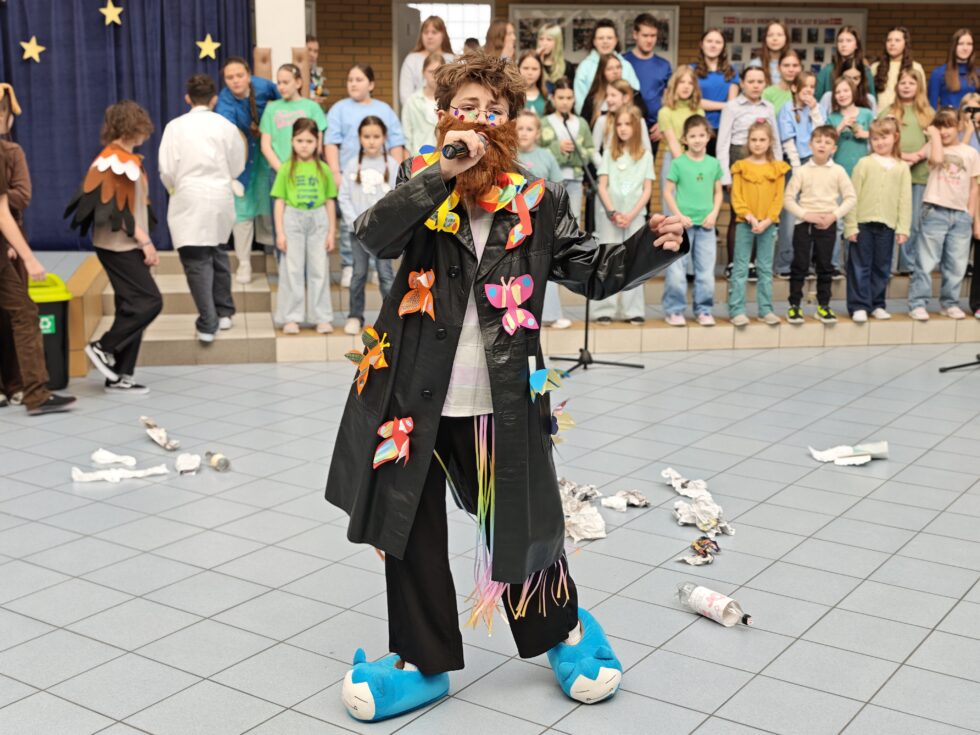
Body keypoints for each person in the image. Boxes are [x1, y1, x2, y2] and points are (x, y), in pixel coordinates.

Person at [325, 50, 686, 724]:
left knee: (519, 523)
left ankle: (564, 632)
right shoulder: (422, 184)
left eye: (495, 111)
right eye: (468, 108)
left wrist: (651, 247)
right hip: (411, 402)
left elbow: (593, 268)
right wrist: (440, 174)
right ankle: (422, 660)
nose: (481, 121)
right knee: (410, 531)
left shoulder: (536, 201)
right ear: (444, 117)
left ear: (514, 125)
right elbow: (372, 236)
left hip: (500, 402)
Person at [67, 101, 163, 393]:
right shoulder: (115, 160)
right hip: (119, 246)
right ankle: (103, 347)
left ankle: (120, 374)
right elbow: (117, 211)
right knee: (149, 301)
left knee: (130, 306)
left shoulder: (123, 158)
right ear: (133, 127)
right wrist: (145, 241)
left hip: (122, 243)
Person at [0, 84, 76, 415]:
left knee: (22, 313)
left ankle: (31, 391)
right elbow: (2, 212)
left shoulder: (10, 152)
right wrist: (29, 258)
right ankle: (34, 393)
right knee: (24, 313)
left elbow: (16, 200)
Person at [159, 74, 247, 343]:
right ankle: (224, 312)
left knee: (196, 259)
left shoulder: (175, 127)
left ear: (188, 98)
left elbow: (167, 169)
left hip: (189, 196)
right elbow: (237, 165)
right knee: (218, 251)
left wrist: (175, 188)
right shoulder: (226, 126)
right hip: (220, 195)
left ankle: (208, 323)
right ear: (214, 99)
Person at [325, 64, 406, 288]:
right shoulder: (339, 109)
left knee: (379, 221)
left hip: (381, 176)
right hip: (352, 176)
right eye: (350, 79)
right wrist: (335, 172)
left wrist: (398, 179)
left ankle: (377, 265)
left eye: (359, 79)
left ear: (371, 84)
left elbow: (396, 144)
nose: (353, 83)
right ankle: (349, 264)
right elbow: (331, 142)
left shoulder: (384, 110)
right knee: (351, 223)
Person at [907, 109, 980, 321]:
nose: (943, 131)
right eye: (939, 126)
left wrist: (969, 213)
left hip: (960, 214)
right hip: (935, 210)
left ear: (959, 126)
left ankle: (949, 303)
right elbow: (938, 160)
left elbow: (974, 186)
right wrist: (934, 135)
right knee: (926, 261)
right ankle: (918, 303)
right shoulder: (933, 146)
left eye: (948, 126)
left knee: (956, 264)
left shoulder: (971, 153)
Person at [215, 57, 280, 284]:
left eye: (240, 75)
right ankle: (244, 263)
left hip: (270, 154)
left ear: (249, 75)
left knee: (273, 207)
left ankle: (279, 258)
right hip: (243, 159)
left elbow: (285, 104)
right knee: (242, 212)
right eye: (229, 77)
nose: (235, 81)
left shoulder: (264, 86)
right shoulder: (224, 101)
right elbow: (228, 134)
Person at [783, 125, 857, 324]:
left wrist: (834, 216)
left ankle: (823, 306)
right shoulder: (802, 171)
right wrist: (805, 214)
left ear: (834, 148)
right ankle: (794, 306)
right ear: (810, 145)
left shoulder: (838, 171)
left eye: (827, 142)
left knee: (825, 266)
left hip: (827, 225)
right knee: (799, 264)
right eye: (818, 141)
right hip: (804, 225)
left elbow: (851, 198)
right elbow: (788, 199)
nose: (822, 145)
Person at [272, 118, 338, 334]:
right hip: (293, 219)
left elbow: (330, 201)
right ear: (292, 141)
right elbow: (279, 201)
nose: (304, 145)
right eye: (299, 140)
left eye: (309, 141)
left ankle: (321, 317)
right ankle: (291, 317)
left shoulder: (324, 169)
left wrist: (331, 232)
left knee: (319, 269)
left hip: (318, 219)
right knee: (292, 269)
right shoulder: (286, 168)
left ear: (317, 142)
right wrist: (280, 233)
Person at [843, 117, 911, 322]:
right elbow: (852, 196)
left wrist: (903, 228)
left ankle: (877, 304)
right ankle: (859, 305)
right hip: (863, 223)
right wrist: (850, 226)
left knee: (882, 266)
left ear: (895, 137)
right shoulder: (864, 163)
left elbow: (905, 199)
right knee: (859, 266)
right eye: (875, 138)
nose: (880, 142)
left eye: (884, 137)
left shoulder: (902, 167)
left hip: (887, 226)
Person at [593, 106, 655, 325]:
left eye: (628, 124)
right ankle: (604, 308)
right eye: (619, 124)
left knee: (634, 261)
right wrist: (613, 212)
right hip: (611, 216)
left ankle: (633, 310)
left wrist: (630, 214)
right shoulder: (609, 153)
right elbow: (602, 186)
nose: (623, 128)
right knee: (608, 260)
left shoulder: (645, 156)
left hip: (634, 216)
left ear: (636, 127)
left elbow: (647, 189)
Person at [718, 66, 782, 276]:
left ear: (765, 84)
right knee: (738, 213)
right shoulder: (731, 107)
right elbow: (723, 142)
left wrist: (778, 168)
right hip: (738, 159)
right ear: (742, 83)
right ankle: (734, 263)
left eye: (760, 82)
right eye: (751, 81)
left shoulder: (768, 107)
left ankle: (752, 263)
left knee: (759, 211)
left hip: (763, 162)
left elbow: (775, 140)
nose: (755, 86)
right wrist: (725, 176)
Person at [339, 116, 398, 336]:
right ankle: (355, 316)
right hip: (357, 233)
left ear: (384, 138)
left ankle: (390, 320)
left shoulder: (392, 165)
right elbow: (344, 196)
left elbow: (398, 197)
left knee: (385, 276)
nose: (371, 141)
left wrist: (386, 225)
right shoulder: (351, 164)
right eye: (366, 136)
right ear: (359, 138)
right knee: (358, 274)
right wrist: (356, 223)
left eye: (376, 136)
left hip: (383, 234)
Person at [728, 121, 791, 326]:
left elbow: (778, 199)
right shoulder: (741, 167)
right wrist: (749, 217)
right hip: (745, 223)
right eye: (753, 139)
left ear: (770, 142)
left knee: (764, 268)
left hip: (768, 225)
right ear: (748, 142)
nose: (757, 143)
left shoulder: (777, 169)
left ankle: (765, 310)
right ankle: (737, 310)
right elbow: (737, 197)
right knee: (740, 268)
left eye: (762, 139)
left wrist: (767, 220)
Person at [662, 115, 722, 327]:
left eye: (701, 135)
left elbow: (718, 192)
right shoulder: (678, 163)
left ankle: (703, 310)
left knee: (705, 273)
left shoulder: (713, 163)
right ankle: (674, 310)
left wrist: (714, 213)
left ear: (708, 137)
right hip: (681, 228)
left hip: (706, 226)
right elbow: (667, 192)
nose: (697, 140)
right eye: (693, 136)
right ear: (685, 139)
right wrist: (678, 215)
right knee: (676, 272)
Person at [260, 63, 328, 241]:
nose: (281, 87)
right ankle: (282, 258)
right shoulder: (272, 108)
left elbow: (318, 142)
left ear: (298, 82)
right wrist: (283, 169)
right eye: (279, 83)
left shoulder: (312, 107)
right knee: (281, 225)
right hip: (279, 172)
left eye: (286, 82)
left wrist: (304, 168)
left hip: (308, 172)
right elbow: (265, 145)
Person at [516, 110, 570, 329]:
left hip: (542, 222)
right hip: (514, 222)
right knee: (517, 268)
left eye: (529, 129)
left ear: (537, 133)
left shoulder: (546, 156)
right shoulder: (508, 155)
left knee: (544, 266)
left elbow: (558, 187)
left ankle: (551, 315)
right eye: (520, 128)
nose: (524, 133)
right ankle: (518, 315)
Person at [879, 68, 934, 275]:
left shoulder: (928, 113)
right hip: (893, 173)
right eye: (903, 82)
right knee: (891, 218)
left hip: (919, 175)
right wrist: (902, 156)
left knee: (913, 221)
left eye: (911, 83)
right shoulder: (889, 112)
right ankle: (889, 264)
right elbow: (880, 139)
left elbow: (935, 141)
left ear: (919, 86)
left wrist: (917, 156)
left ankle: (907, 265)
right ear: (897, 86)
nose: (907, 86)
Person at [776, 70, 824, 277]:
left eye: (812, 87)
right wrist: (798, 170)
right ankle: (784, 264)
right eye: (805, 86)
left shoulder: (817, 108)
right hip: (794, 164)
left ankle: (806, 263)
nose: (809, 91)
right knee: (790, 217)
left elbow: (822, 134)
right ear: (795, 88)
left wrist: (814, 110)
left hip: (815, 164)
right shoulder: (786, 109)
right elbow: (788, 141)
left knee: (811, 214)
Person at [540, 78, 593, 225]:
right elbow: (537, 151)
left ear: (574, 99)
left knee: (574, 217)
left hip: (575, 178)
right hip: (550, 179)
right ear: (553, 99)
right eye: (561, 98)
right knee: (551, 218)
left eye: (569, 98)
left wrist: (578, 149)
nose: (565, 102)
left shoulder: (581, 123)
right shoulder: (544, 123)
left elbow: (590, 149)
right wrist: (557, 148)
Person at [657, 67, 706, 209]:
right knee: (671, 207)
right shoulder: (665, 112)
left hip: (696, 160)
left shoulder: (699, 111)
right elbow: (673, 143)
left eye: (690, 83)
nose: (686, 86)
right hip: (674, 161)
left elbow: (700, 142)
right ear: (674, 85)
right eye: (682, 82)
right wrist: (687, 168)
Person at [623, 13, 672, 151]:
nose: (649, 40)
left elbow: (669, 98)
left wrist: (662, 123)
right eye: (645, 35)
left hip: (653, 129)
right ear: (635, 35)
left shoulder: (664, 65)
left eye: (653, 36)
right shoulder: (623, 62)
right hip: (626, 124)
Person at [573, 19, 640, 114]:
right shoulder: (584, 67)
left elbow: (634, 96)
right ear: (594, 42)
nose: (605, 41)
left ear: (616, 41)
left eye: (609, 38)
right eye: (601, 38)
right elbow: (580, 102)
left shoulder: (626, 66)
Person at [691, 28, 740, 152]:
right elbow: (695, 102)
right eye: (709, 41)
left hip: (725, 128)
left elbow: (732, 104)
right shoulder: (691, 70)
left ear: (723, 47)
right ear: (701, 44)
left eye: (718, 42)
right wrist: (725, 105)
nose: (713, 45)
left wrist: (726, 106)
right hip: (697, 129)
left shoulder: (732, 71)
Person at [591, 79, 652, 164]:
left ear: (626, 98)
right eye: (607, 95)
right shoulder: (602, 121)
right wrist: (604, 167)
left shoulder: (639, 121)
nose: (608, 99)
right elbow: (593, 151)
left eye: (613, 95)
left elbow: (647, 150)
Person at [399, 16, 455, 107]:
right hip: (416, 111)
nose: (429, 36)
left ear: (443, 35)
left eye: (434, 32)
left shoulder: (452, 60)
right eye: (425, 32)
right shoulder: (411, 60)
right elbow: (405, 96)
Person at [871, 27, 925, 112]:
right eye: (889, 40)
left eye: (897, 40)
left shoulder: (916, 67)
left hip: (906, 114)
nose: (892, 44)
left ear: (905, 43)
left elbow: (922, 96)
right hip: (880, 115)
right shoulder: (875, 67)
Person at [827, 77, 873, 176]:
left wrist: (865, 134)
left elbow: (879, 135)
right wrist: (840, 126)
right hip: (839, 167)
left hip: (862, 167)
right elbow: (827, 142)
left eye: (846, 90)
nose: (842, 95)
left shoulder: (867, 114)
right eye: (838, 92)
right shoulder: (832, 118)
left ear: (853, 91)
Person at [816, 26, 875, 100]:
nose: (843, 45)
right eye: (840, 41)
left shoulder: (865, 70)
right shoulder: (827, 70)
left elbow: (871, 100)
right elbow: (817, 99)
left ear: (856, 45)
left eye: (849, 41)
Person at [401, 53, 443, 156]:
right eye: (430, 72)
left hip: (444, 158)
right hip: (418, 157)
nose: (434, 76)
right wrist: (407, 163)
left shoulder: (450, 101)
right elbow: (407, 138)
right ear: (423, 72)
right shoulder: (412, 101)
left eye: (438, 71)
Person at [928, 28, 978, 109]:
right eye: (960, 44)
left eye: (969, 44)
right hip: (947, 116)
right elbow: (931, 107)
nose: (965, 48)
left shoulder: (977, 74)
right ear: (954, 46)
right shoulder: (938, 73)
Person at [537, 24, 575, 93]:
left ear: (557, 42)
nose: (544, 43)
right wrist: (537, 61)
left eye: (549, 39)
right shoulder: (532, 65)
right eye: (541, 39)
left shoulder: (567, 67)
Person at [763, 49, 803, 115]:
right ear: (778, 68)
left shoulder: (805, 92)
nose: (791, 70)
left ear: (801, 68)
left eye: (795, 65)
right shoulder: (767, 93)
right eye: (786, 65)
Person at [749, 21, 789, 86]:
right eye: (770, 35)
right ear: (765, 39)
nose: (775, 38)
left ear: (786, 38)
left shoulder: (792, 64)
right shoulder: (756, 64)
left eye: (779, 35)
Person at [518, 52, 551, 117]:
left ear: (541, 71)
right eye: (525, 68)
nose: (530, 73)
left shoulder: (547, 97)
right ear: (518, 68)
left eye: (534, 69)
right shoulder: (511, 96)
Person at [306, 35, 328, 105]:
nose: (312, 54)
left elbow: (319, 93)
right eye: (309, 50)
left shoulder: (316, 75)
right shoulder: (294, 73)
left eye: (315, 51)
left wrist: (322, 94)